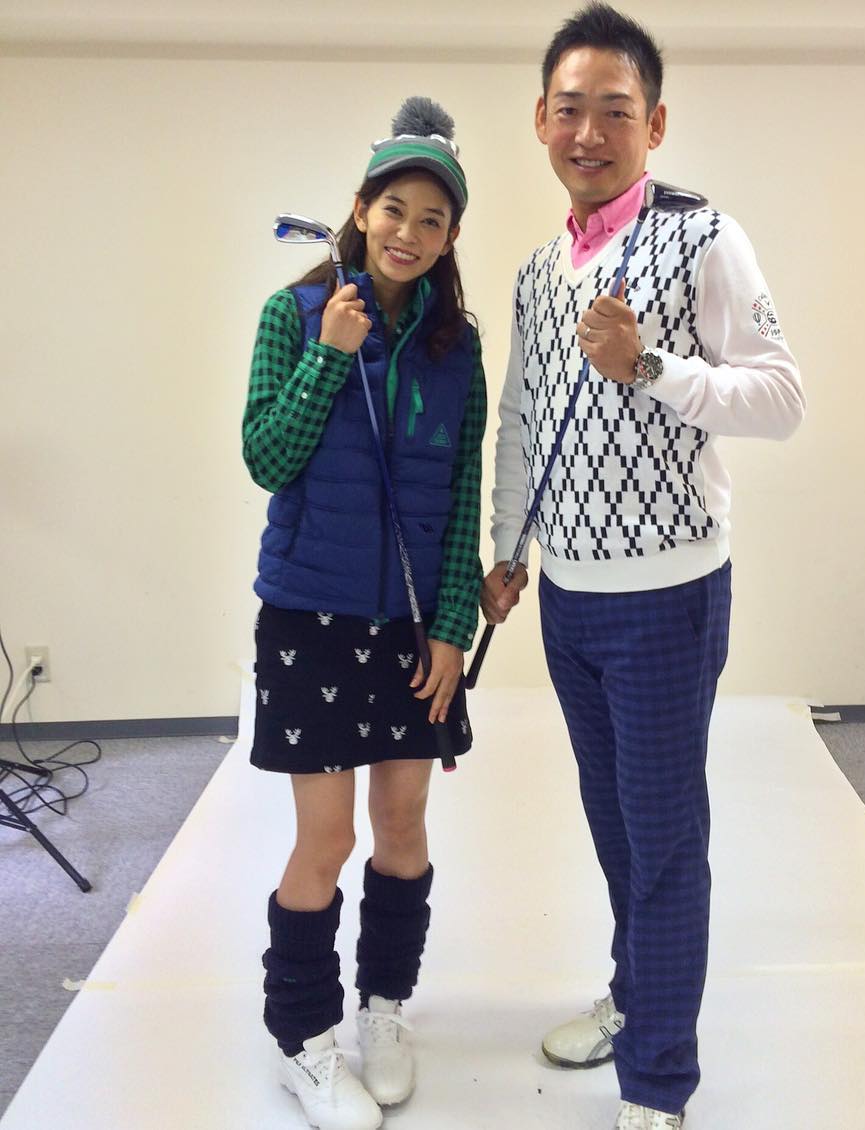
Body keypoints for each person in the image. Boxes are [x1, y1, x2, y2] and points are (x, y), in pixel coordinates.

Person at [483, 6, 805, 1129]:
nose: (590, 132)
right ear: (540, 118)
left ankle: (659, 1084)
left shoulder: (705, 235)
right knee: (617, 826)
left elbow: (781, 397)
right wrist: (507, 547)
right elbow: (521, 415)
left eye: (615, 111)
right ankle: (637, 995)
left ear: (654, 124)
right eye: (570, 109)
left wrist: (653, 365)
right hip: (568, 601)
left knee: (665, 842)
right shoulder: (537, 270)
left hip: (669, 598)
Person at [243, 97, 485, 1130]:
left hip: (411, 629)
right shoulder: (294, 313)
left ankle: (384, 1009)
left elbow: (463, 490)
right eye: (395, 210)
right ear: (359, 208)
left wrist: (454, 622)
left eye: (433, 219)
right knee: (328, 836)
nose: (409, 233)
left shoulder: (457, 346)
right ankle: (303, 1040)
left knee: (402, 823)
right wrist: (330, 354)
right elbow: (266, 458)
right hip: (310, 616)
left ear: (450, 237)